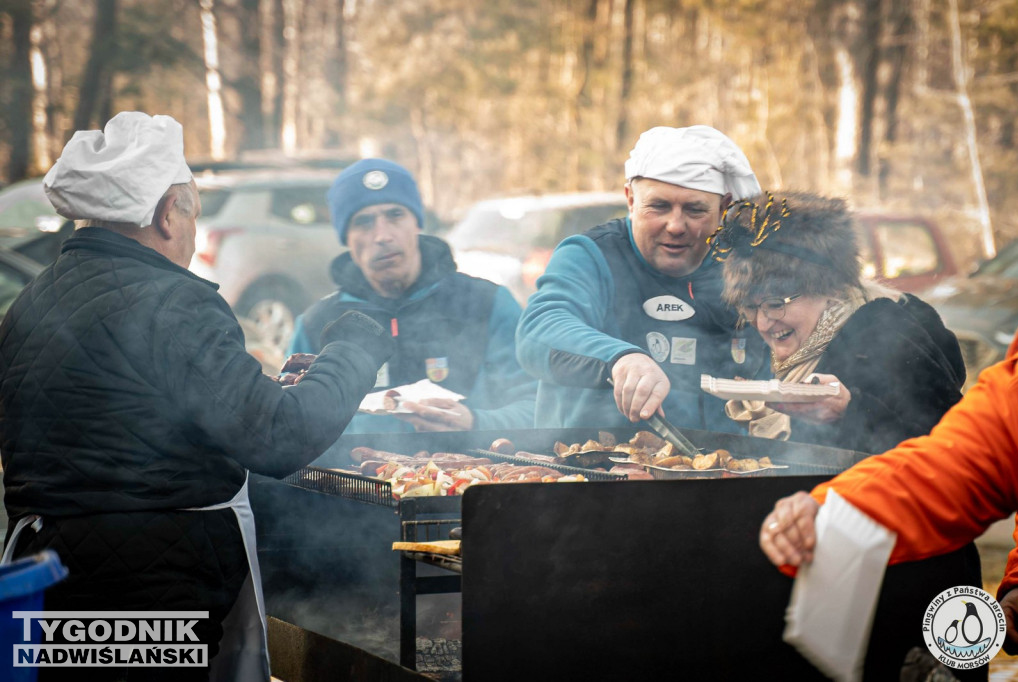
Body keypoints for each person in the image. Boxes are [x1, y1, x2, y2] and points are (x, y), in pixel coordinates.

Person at [0, 112, 393, 681]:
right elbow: (281, 438)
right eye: (192, 214)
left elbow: (117, 413)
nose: (192, 235)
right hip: (150, 596)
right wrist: (353, 348)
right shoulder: (172, 302)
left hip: (47, 582)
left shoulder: (32, 299)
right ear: (166, 213)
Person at [754, 333, 1018, 674]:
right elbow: (946, 469)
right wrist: (830, 507)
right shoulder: (1017, 391)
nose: (764, 319)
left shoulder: (898, 328)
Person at [515, 125, 766, 431]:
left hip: (719, 471)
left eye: (694, 210)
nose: (675, 225)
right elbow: (538, 331)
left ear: (723, 207)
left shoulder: (740, 267)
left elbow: (786, 352)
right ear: (631, 199)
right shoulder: (591, 255)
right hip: (587, 465)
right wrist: (621, 359)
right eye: (659, 206)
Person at [286, 158, 537, 434]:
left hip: (476, 472)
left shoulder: (487, 303)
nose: (382, 235)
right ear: (346, 238)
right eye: (364, 222)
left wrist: (476, 423)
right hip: (357, 476)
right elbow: (291, 427)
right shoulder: (317, 325)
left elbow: (539, 407)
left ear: (417, 222)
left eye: (395, 215)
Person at [713, 191, 965, 454]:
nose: (763, 323)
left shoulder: (884, 333)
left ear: (830, 289)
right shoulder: (783, 345)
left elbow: (951, 446)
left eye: (776, 304)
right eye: (751, 307)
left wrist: (849, 412)